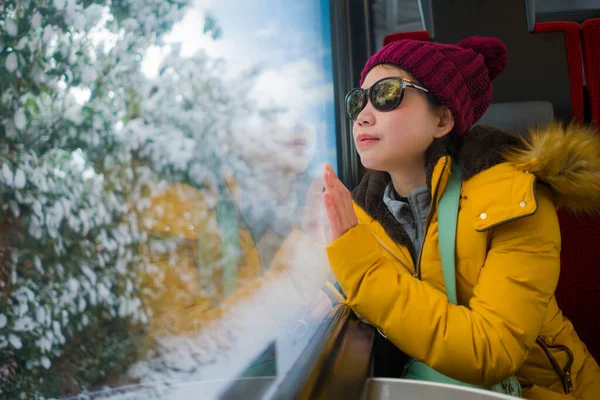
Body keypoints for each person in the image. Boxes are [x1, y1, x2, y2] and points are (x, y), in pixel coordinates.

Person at [322, 36, 600, 399]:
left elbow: (491, 350)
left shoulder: (514, 199)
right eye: (356, 100)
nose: (362, 114)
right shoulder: (364, 215)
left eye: (387, 94)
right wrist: (325, 299)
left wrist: (361, 271)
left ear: (443, 119)